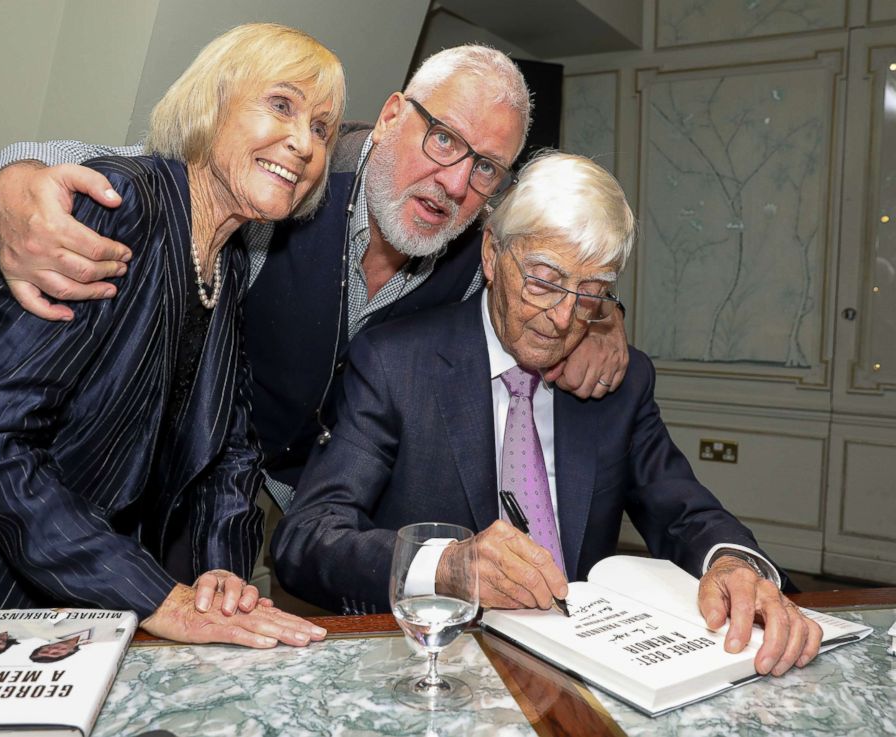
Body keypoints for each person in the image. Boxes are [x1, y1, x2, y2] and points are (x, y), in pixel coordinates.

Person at [0, 45, 631, 517]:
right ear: (395, 114)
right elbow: (149, 169)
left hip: (322, 509)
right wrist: (11, 181)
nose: (457, 183)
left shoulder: (480, 244)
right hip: (189, 483)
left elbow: (552, 269)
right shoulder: (300, 167)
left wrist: (603, 317)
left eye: (486, 167)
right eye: (442, 139)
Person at [272, 152, 823, 677]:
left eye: (591, 294)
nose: (562, 319)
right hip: (440, 666)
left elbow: (684, 512)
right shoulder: (397, 363)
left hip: (587, 666)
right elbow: (308, 537)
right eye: (542, 280)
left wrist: (733, 564)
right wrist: (447, 567)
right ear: (491, 255)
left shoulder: (617, 383)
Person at [0, 22, 342, 649]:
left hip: (51, 580)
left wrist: (222, 576)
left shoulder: (230, 256)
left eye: (322, 128)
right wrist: (156, 595)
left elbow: (229, 450)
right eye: (281, 104)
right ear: (212, 103)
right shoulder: (121, 204)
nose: (302, 142)